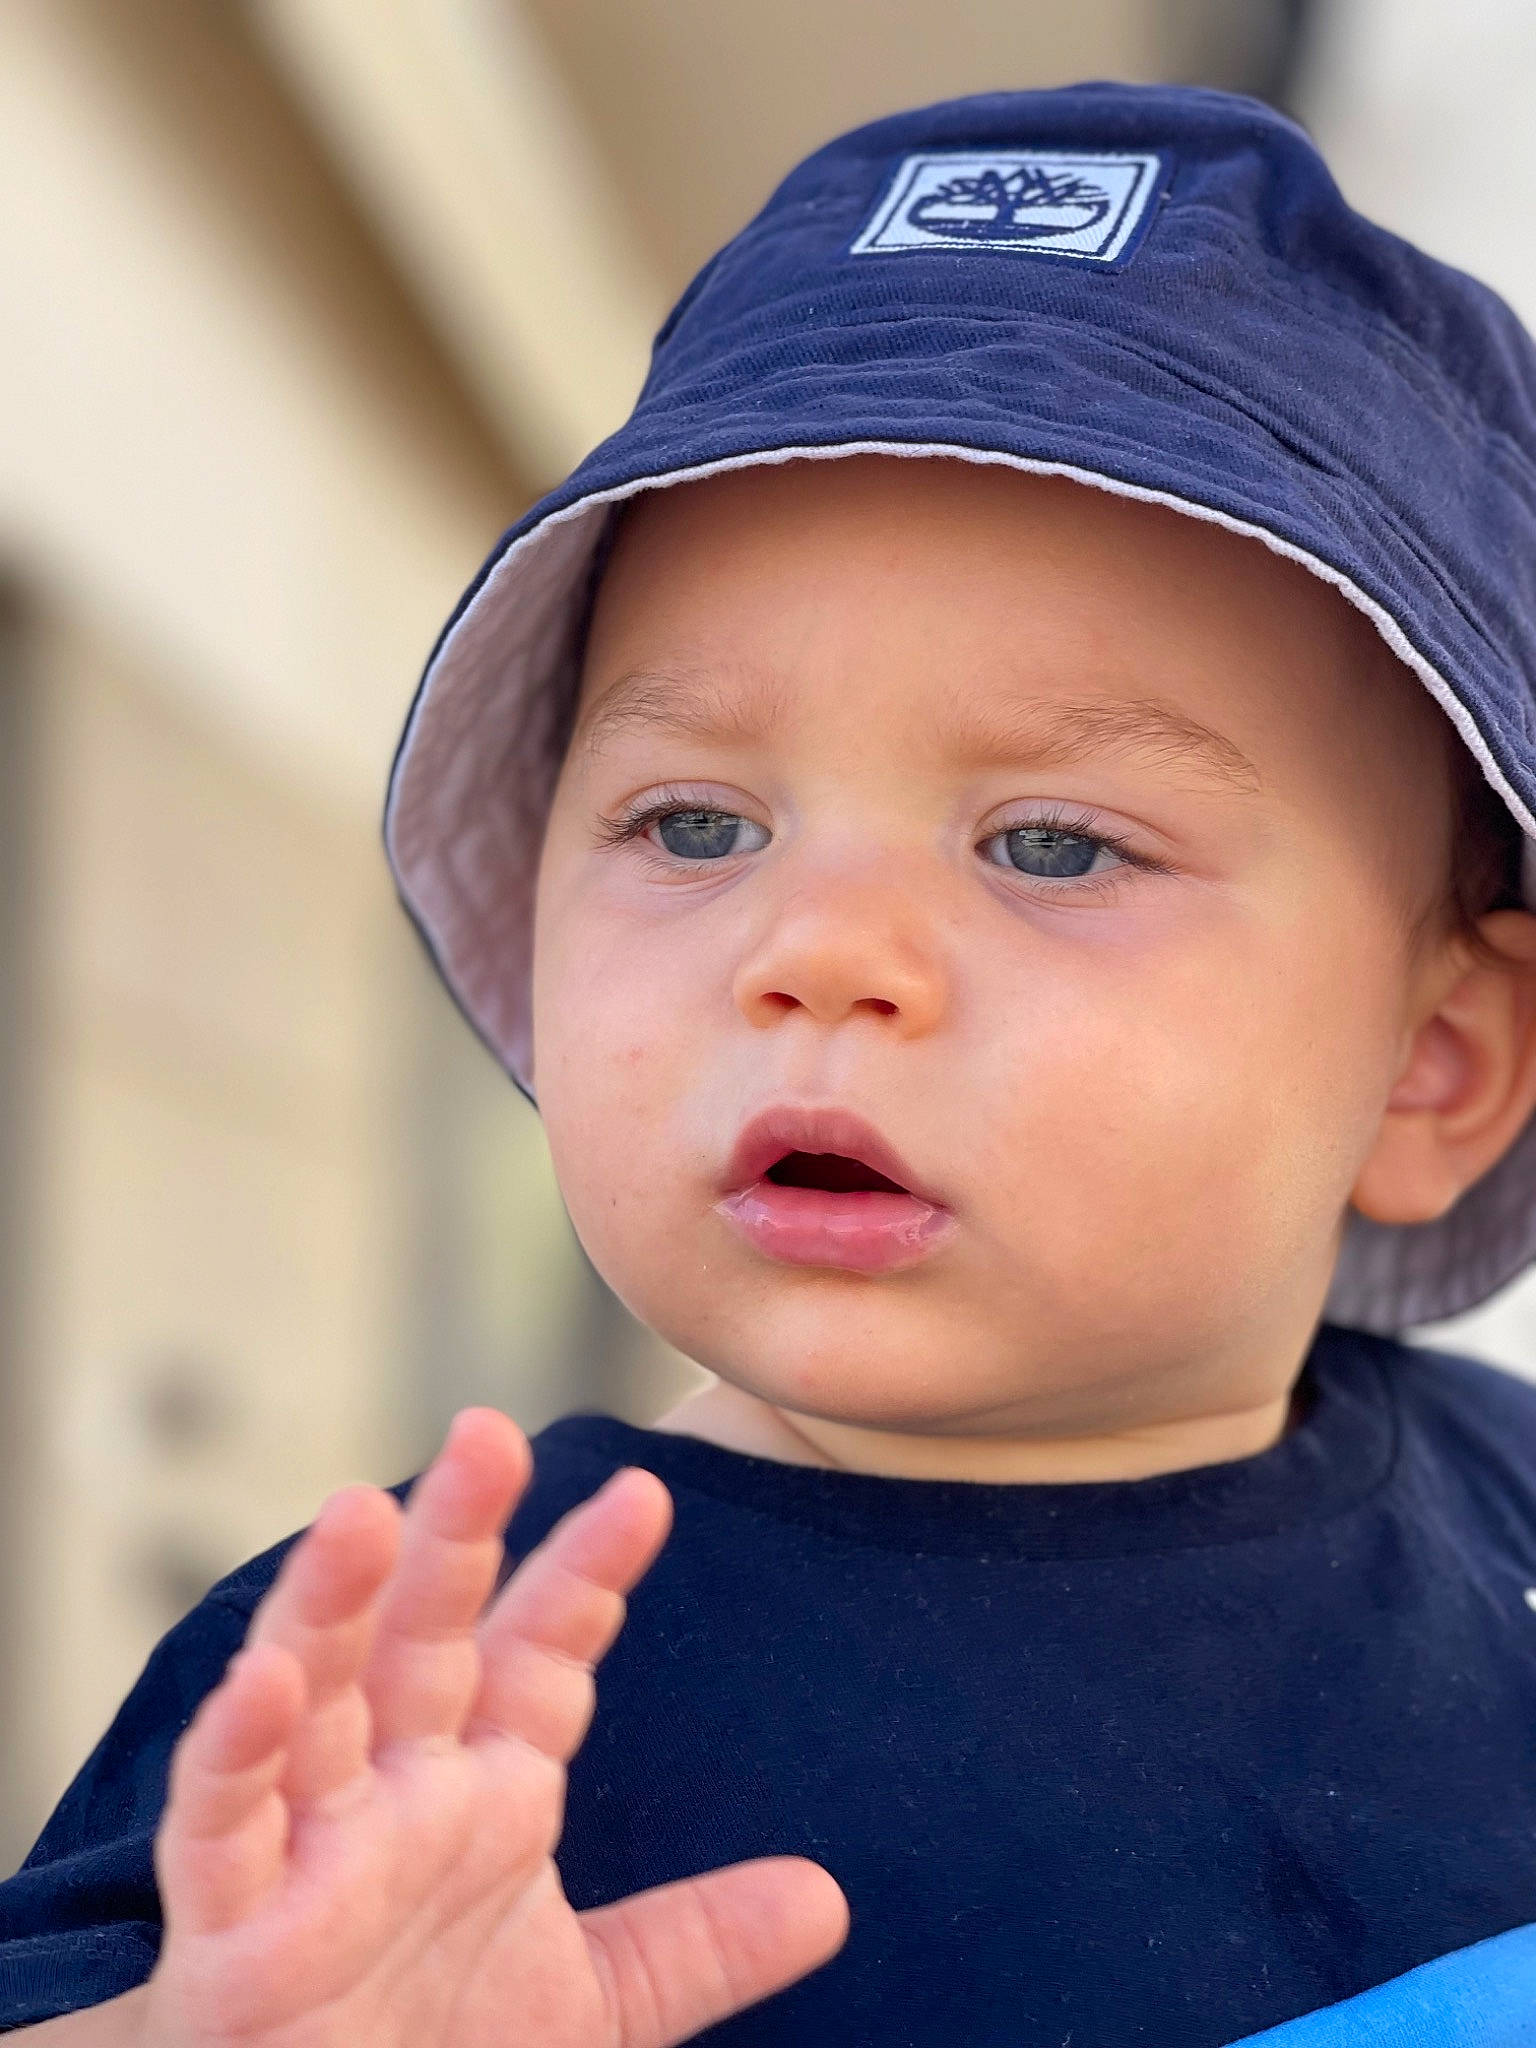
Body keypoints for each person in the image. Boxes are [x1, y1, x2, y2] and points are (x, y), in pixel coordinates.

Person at [6, 79, 1536, 2047]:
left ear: (1434, 1063)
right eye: (698, 825)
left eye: (1053, 844)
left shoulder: (1503, 1520)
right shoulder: (424, 1689)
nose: (818, 953)